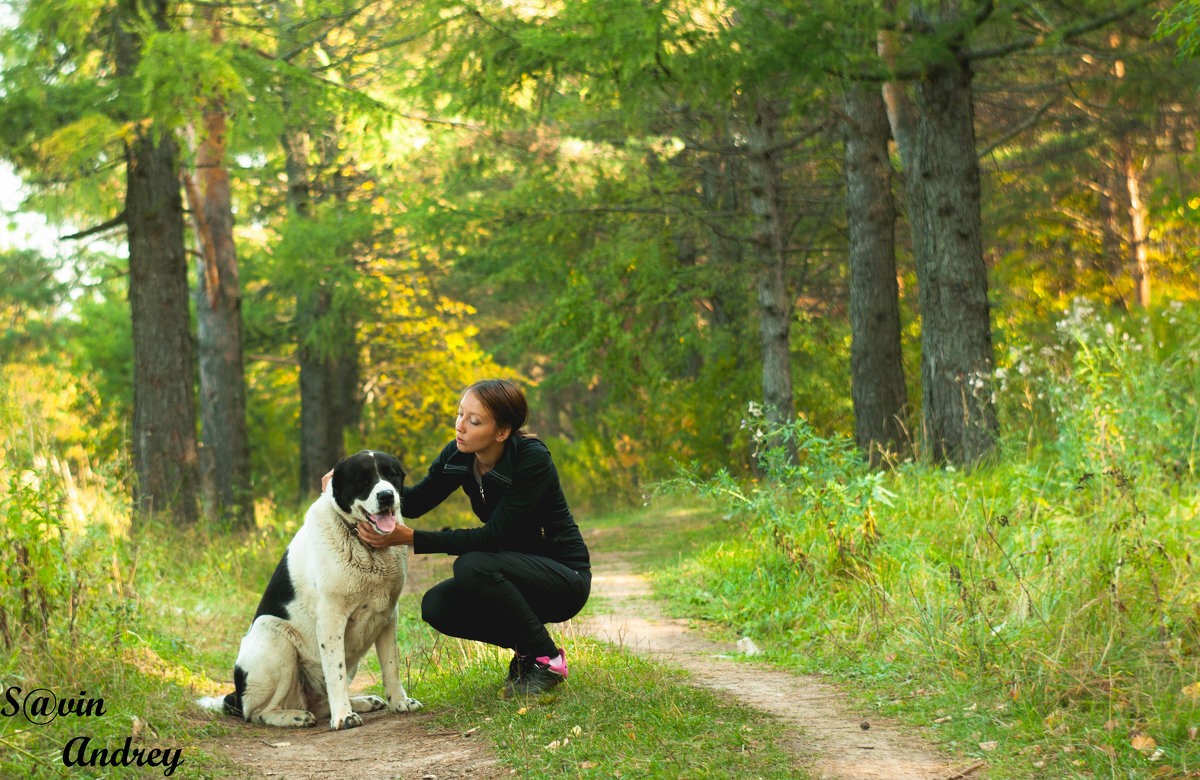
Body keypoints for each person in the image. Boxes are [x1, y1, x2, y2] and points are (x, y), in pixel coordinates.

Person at [351, 379, 591, 696]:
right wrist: (356, 482)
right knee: (437, 605)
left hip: (563, 577)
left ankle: (548, 659)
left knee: (471, 565)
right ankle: (528, 650)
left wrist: (409, 538)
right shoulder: (460, 455)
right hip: (513, 573)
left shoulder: (532, 460)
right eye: (460, 414)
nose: (460, 427)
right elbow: (417, 500)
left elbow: (493, 536)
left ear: (502, 432)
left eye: (474, 421)